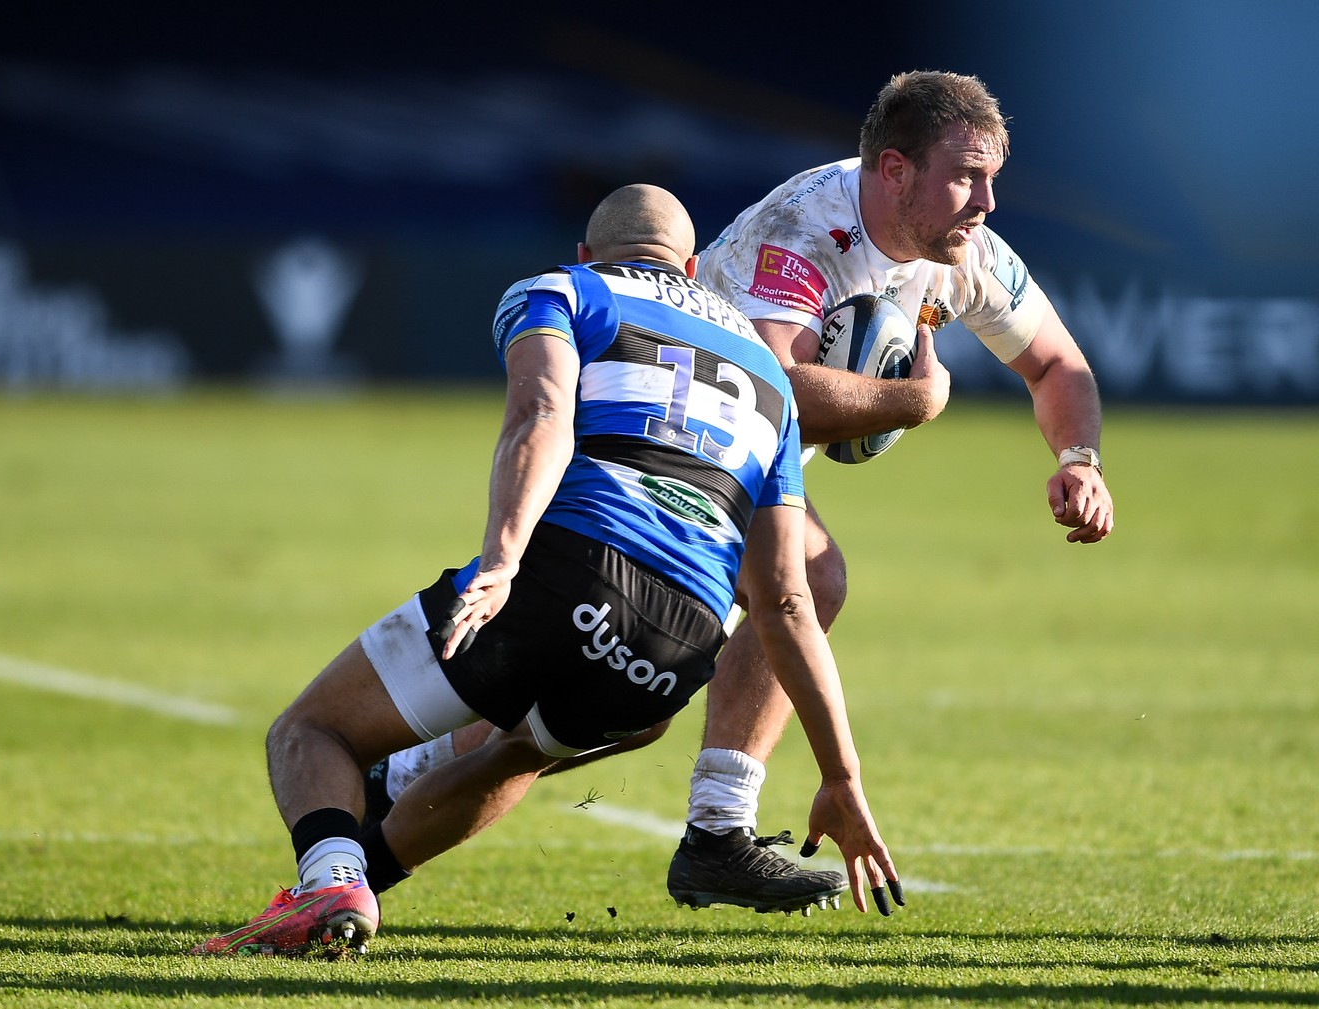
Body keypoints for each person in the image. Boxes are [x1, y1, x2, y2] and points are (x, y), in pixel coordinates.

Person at [368, 69, 1115, 915]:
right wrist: (914, 400)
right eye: (967, 176)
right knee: (749, 608)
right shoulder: (805, 231)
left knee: (608, 686)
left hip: (721, 455)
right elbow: (776, 389)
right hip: (652, 445)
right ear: (895, 170)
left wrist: (1080, 457)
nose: (987, 201)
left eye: (994, 179)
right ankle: (715, 832)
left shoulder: (962, 248)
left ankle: (396, 774)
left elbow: (1058, 364)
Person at [190, 183, 903, 958]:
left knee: (312, 730)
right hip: (680, 644)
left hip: (568, 574)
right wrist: (842, 776)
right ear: (693, 268)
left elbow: (542, 415)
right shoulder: (771, 380)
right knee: (520, 751)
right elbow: (787, 602)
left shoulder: (563, 290)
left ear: (587, 254)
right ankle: (357, 885)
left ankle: (331, 878)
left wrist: (501, 559)